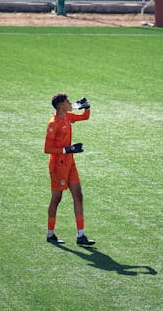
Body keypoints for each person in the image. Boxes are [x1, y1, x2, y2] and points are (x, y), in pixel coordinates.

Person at [44, 93, 95, 246]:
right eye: (66, 101)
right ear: (60, 106)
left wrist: (87, 108)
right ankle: (50, 233)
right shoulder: (53, 124)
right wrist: (68, 149)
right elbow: (47, 148)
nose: (69, 102)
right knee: (57, 198)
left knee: (78, 196)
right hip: (58, 165)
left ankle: (81, 236)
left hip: (69, 162)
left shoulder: (68, 117)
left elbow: (84, 117)